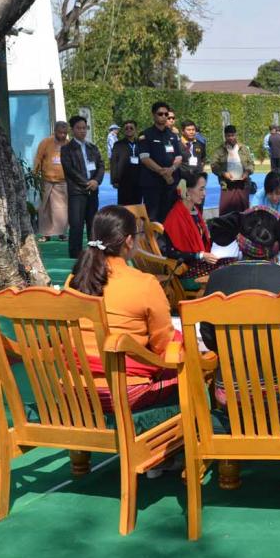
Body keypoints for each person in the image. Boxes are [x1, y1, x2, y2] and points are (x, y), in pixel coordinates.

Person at [199, 207, 280, 427]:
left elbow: (209, 338)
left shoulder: (217, 280)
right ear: (276, 243)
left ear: (240, 240)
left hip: (234, 390)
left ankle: (237, 438)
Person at [68, 205, 177, 410]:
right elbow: (163, 345)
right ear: (129, 241)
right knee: (182, 365)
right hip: (121, 391)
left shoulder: (74, 281)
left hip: (72, 390)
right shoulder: (144, 283)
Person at [159, 170, 227, 285]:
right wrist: (200, 255)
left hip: (197, 263)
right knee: (227, 270)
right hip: (184, 271)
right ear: (187, 191)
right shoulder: (175, 217)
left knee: (232, 262)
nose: (204, 193)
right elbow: (171, 253)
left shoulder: (194, 211)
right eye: (201, 189)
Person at [60, 115, 105, 258]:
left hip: (93, 190)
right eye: (79, 128)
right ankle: (75, 253)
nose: (82, 131)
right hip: (77, 191)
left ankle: (94, 252)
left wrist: (96, 181)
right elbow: (69, 170)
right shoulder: (67, 149)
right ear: (72, 130)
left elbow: (101, 165)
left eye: (84, 128)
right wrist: (87, 183)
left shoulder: (92, 147)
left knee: (93, 223)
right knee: (76, 224)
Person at [138, 101, 185, 222]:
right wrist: (163, 172)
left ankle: (168, 241)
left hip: (170, 184)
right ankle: (153, 241)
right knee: (153, 219)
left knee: (170, 218)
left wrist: (171, 170)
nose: (164, 117)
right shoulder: (145, 135)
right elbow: (144, 158)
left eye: (166, 114)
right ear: (153, 115)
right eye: (160, 114)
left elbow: (179, 157)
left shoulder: (173, 135)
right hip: (152, 185)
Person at [32, 120, 70, 243]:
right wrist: (35, 173)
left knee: (62, 209)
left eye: (65, 133)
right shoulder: (46, 142)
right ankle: (45, 234)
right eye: (60, 132)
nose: (63, 135)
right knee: (45, 208)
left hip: (63, 181)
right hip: (47, 180)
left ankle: (61, 233)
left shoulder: (68, 144)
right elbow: (38, 158)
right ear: (55, 131)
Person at [211, 125, 254, 214]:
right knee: (225, 212)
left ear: (236, 135)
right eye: (228, 136)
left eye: (233, 135)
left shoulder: (244, 148)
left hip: (243, 184)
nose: (231, 138)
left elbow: (251, 164)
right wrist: (223, 173)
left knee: (244, 212)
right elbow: (214, 165)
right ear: (225, 136)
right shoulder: (219, 150)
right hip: (227, 186)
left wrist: (247, 172)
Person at [109, 119, 141, 206]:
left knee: (137, 206)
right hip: (123, 181)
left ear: (135, 130)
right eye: (126, 128)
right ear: (124, 130)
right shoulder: (118, 144)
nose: (129, 130)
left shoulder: (140, 143)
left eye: (131, 128)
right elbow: (113, 162)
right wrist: (114, 180)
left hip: (138, 180)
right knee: (124, 207)